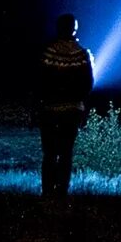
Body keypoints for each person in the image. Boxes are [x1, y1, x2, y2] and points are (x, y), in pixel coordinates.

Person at [37, 12, 95, 198]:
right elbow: (88, 83)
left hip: (49, 109)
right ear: (74, 29)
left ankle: (47, 192)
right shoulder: (82, 54)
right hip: (72, 110)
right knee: (66, 152)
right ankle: (61, 192)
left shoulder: (47, 52)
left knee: (49, 153)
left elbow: (39, 81)